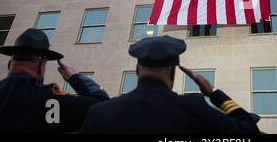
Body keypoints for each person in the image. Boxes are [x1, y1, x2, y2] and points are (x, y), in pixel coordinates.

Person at [80, 35, 261, 134]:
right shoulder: (195, 109)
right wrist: (213, 92)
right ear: (173, 72)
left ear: (137, 70)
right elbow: (248, 130)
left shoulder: (99, 113)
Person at [0, 28, 109, 134]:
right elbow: (102, 105)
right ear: (41, 66)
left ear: (9, 64)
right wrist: (74, 77)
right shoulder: (52, 102)